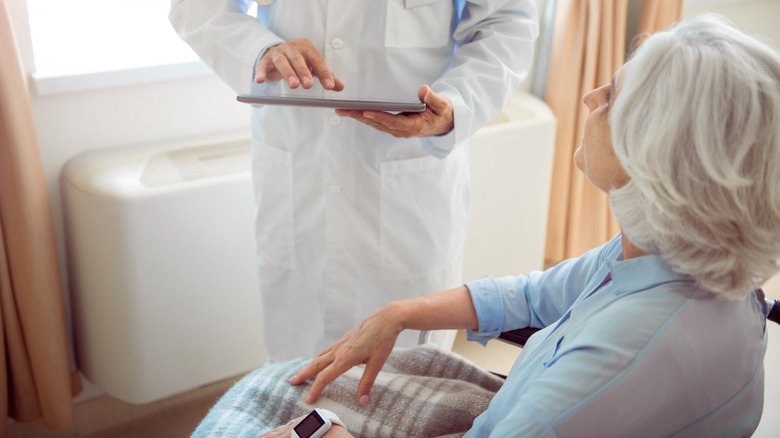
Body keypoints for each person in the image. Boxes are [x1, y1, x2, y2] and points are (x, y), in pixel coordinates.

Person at [249, 14, 778, 437]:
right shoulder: (656, 257)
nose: (591, 98)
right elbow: (531, 294)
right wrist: (400, 313)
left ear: (662, 157)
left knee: (272, 406)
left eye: (614, 98)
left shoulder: (618, 362)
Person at [170, 0, 540, 362]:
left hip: (407, 176)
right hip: (300, 167)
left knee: (408, 385)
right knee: (298, 384)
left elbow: (507, 20)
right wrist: (260, 51)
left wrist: (456, 105)